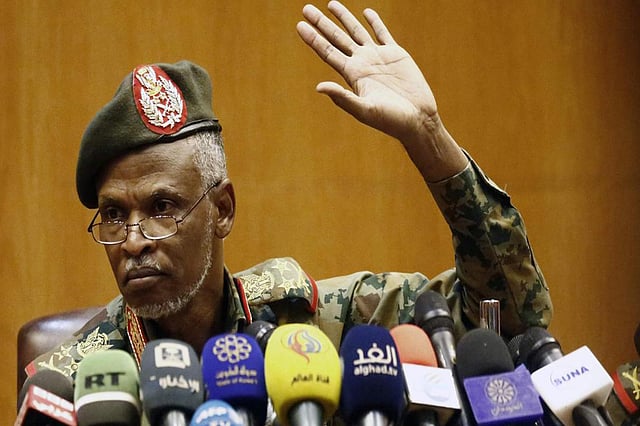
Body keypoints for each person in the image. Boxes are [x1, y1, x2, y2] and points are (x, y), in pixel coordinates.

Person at [25, 1, 552, 384]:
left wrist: (428, 138)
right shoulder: (73, 384)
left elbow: (507, 318)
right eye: (114, 215)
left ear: (222, 209)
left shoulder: (319, 321)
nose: (133, 240)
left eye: (162, 207)